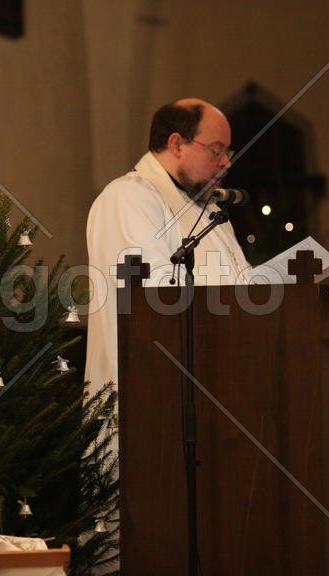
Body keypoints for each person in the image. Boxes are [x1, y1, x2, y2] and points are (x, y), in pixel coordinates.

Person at [84, 98, 251, 398]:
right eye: (216, 150)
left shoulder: (211, 210)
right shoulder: (128, 198)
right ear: (176, 144)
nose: (226, 162)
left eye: (228, 152)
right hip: (150, 394)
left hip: (215, 383)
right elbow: (157, 299)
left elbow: (243, 286)